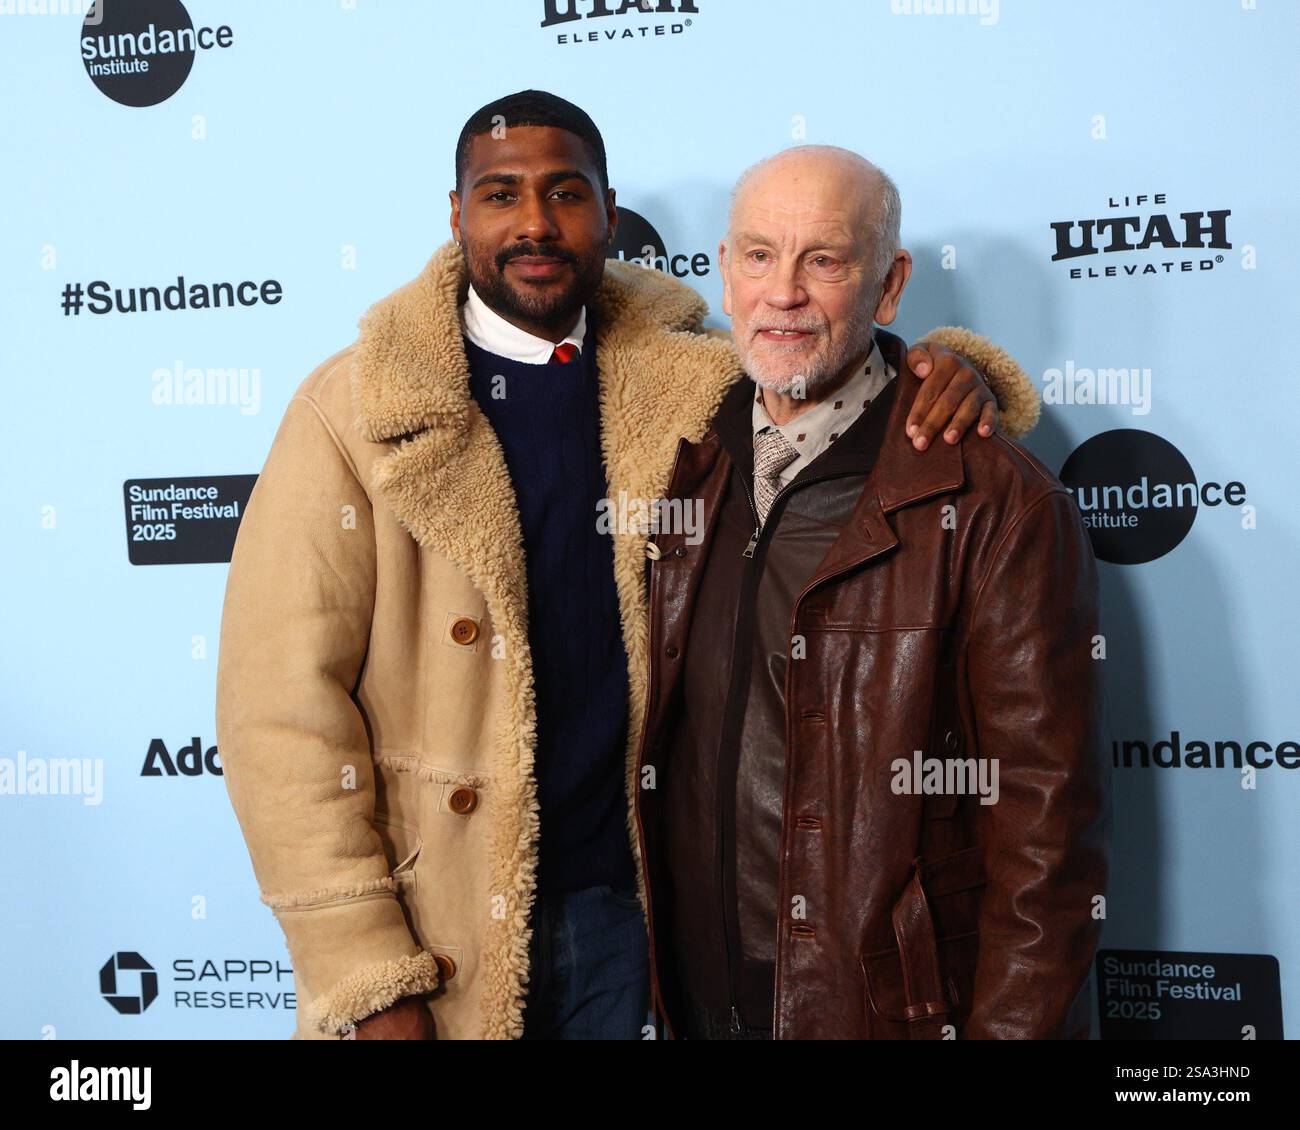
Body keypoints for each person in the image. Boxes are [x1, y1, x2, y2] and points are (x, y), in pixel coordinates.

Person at [214, 91, 1039, 1040]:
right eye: (500, 195)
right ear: (455, 215)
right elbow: (277, 714)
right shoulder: (354, 412)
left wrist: (951, 373)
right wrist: (365, 971)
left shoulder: (686, 378)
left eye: (565, 194)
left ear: (610, 213)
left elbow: (833, 365)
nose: (534, 223)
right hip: (440, 927)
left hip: (640, 924)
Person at [632, 145, 1111, 1040]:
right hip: (682, 999)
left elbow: (1047, 839)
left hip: (876, 1011)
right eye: (760, 255)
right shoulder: (673, 459)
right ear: (725, 275)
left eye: (825, 259)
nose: (785, 292)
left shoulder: (994, 500)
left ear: (888, 286)